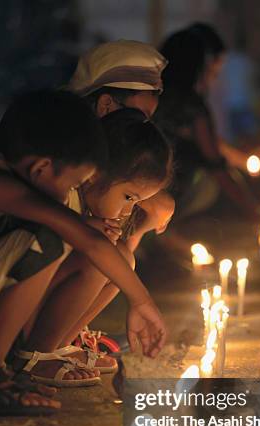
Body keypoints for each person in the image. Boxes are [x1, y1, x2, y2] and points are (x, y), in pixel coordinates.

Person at [0, 90, 166, 416]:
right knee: (49, 238)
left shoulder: (3, 180)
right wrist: (142, 302)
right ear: (42, 168)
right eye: (74, 182)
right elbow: (90, 241)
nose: (72, 193)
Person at [65, 39, 175, 352]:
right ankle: (43, 348)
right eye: (137, 117)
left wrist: (142, 216)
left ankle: (66, 339)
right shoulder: (61, 165)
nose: (143, 130)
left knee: (119, 256)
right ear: (106, 107)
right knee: (106, 257)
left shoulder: (100, 168)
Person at [40, 107, 174, 359]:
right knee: (101, 260)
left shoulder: (90, 203)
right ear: (94, 175)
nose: (128, 210)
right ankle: (38, 353)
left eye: (136, 202)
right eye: (128, 197)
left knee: (121, 257)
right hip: (5, 313)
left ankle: (62, 344)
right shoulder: (62, 194)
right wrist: (142, 302)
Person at [156, 27, 260, 223]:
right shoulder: (192, 107)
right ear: (198, 67)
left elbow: (214, 145)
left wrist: (246, 160)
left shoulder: (156, 95)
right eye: (212, 72)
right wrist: (252, 209)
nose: (213, 80)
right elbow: (216, 163)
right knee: (208, 184)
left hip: (144, 184)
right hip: (170, 190)